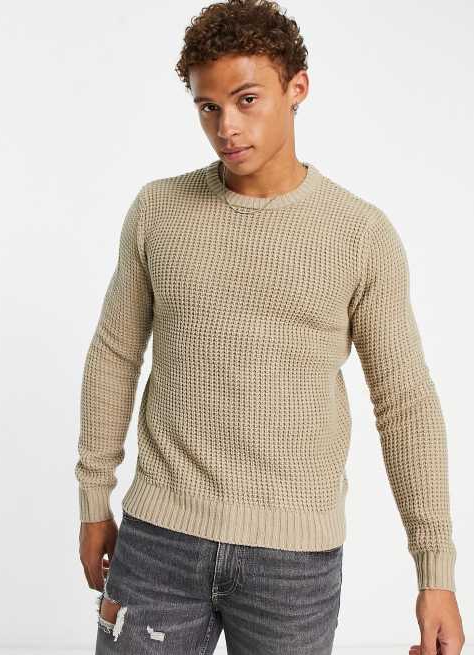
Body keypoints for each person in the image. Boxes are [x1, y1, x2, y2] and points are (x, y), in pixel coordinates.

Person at [75, 1, 465, 653]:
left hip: (293, 562)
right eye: (208, 107)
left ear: (297, 88)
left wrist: (436, 573)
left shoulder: (359, 235)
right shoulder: (158, 211)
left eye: (247, 99)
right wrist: (94, 500)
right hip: (159, 540)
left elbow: (404, 404)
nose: (226, 126)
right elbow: (115, 354)